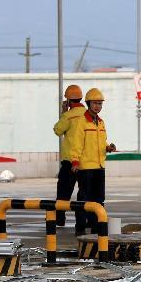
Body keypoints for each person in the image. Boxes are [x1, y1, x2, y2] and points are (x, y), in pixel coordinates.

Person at [68, 87, 116, 235]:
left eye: (100, 104)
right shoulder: (82, 122)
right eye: (95, 103)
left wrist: (108, 147)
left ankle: (96, 226)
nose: (98, 106)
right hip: (86, 167)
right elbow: (76, 144)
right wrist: (75, 162)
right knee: (84, 198)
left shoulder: (101, 123)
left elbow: (101, 143)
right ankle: (81, 226)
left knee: (99, 199)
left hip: (99, 167)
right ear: (88, 103)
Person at [52, 84, 86, 226]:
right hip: (85, 161)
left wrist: (63, 111)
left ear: (69, 101)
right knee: (84, 194)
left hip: (69, 161)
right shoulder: (88, 114)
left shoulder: (68, 116)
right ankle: (83, 222)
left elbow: (57, 130)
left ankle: (60, 219)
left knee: (63, 192)